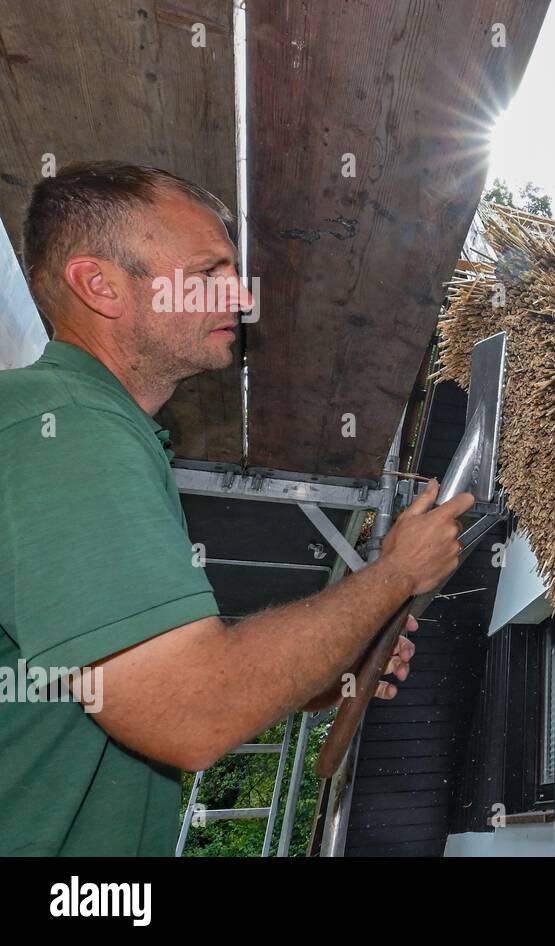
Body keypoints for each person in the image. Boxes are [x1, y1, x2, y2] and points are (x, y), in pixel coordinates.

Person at [0, 162, 472, 854]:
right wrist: (395, 574)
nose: (240, 296)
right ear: (100, 286)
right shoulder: (64, 430)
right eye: (207, 273)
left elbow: (150, 688)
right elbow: (191, 709)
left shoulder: (105, 435)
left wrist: (328, 671)